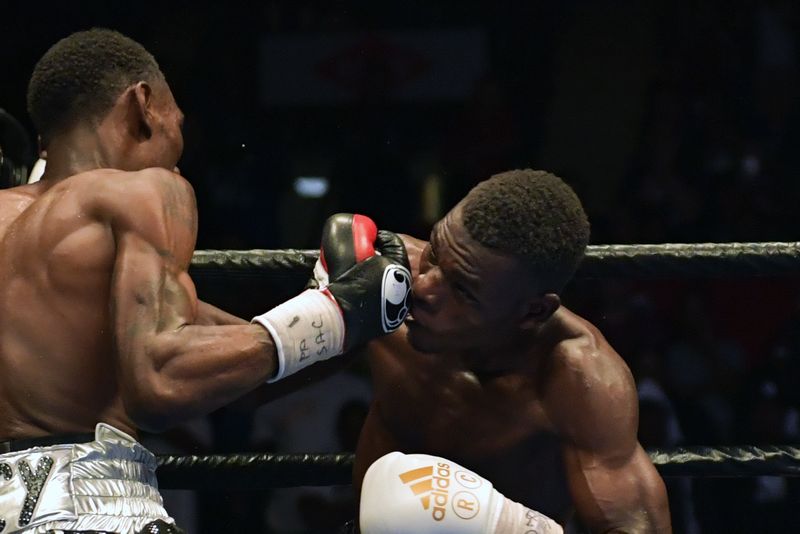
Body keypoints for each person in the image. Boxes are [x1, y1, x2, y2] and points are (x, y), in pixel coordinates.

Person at [0, 28, 409, 534]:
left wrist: (344, 316)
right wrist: (338, 311)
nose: (179, 147)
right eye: (178, 121)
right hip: (90, 505)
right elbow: (159, 382)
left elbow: (240, 376)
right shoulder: (146, 191)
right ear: (143, 105)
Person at [353, 169, 672, 533]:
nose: (423, 288)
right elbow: (274, 380)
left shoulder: (578, 379)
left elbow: (633, 524)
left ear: (533, 312)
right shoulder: (383, 281)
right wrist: (315, 319)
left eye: (463, 290)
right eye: (434, 253)